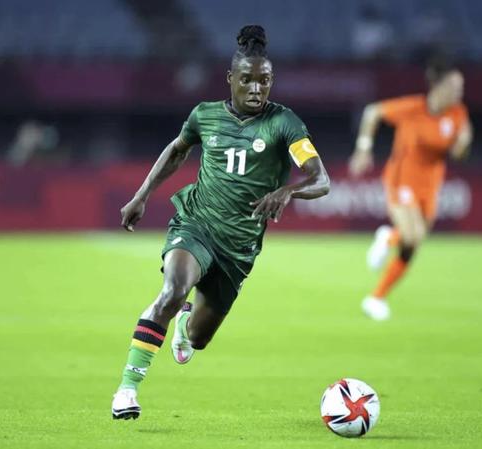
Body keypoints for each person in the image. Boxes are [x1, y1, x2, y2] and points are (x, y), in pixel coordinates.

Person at [111, 25, 330, 419]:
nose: (256, 89)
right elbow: (176, 151)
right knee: (172, 291)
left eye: (264, 81)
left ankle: (184, 325)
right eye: (247, 80)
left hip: (238, 248)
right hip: (197, 224)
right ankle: (127, 390)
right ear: (231, 78)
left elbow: (321, 179)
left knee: (198, 338)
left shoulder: (285, 123)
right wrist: (142, 195)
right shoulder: (205, 115)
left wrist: (288, 191)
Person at [348, 61, 472, 321]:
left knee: (413, 244)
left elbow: (459, 151)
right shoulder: (414, 108)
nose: (459, 92)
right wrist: (364, 148)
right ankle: (378, 288)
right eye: (454, 86)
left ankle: (377, 292)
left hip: (430, 185)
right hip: (402, 179)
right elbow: (372, 112)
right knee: (413, 236)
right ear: (437, 86)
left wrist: (463, 143)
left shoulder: (458, 114)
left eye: (460, 87)